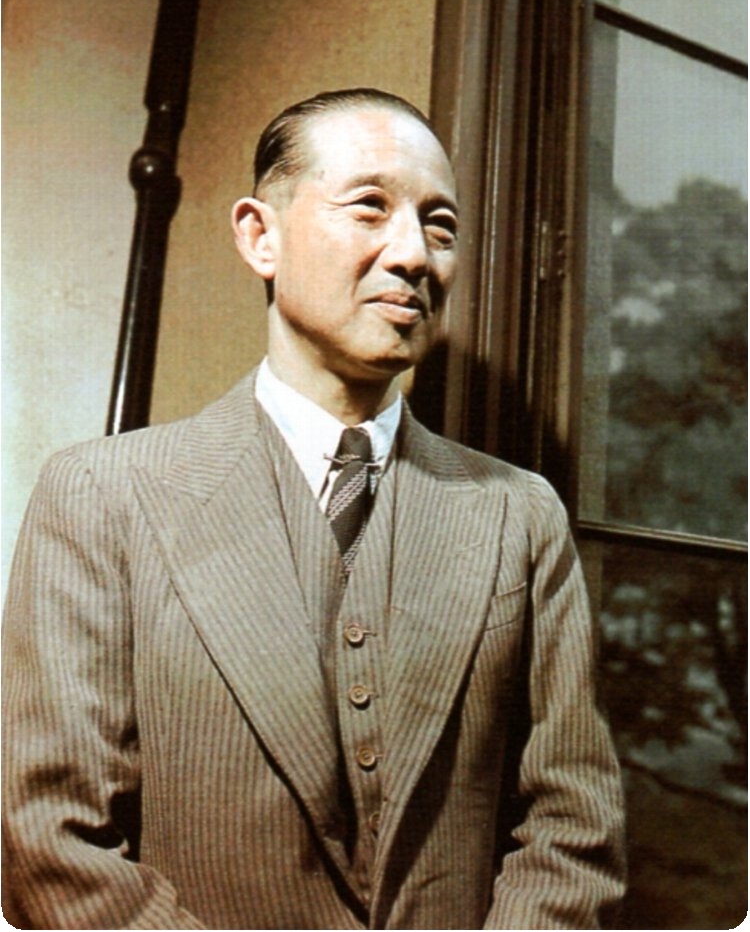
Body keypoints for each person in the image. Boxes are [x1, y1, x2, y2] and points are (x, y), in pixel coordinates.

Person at [2, 88, 626, 930]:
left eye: (441, 227)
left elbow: (573, 828)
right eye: (369, 207)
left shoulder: (520, 515)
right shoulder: (101, 496)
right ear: (259, 236)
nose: (414, 254)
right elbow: (51, 840)